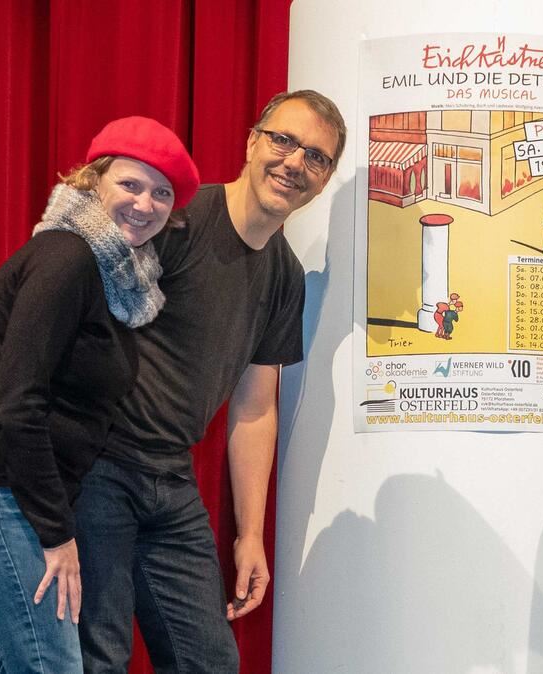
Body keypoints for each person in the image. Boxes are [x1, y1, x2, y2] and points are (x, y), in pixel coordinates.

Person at [74, 90, 346, 672]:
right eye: (283, 140)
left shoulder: (285, 276)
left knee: (210, 662)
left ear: (324, 180)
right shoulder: (175, 220)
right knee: (97, 658)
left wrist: (250, 535)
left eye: (316, 157)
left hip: (170, 479)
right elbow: (76, 315)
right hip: (97, 465)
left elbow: (255, 408)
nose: (294, 162)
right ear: (252, 143)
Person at [0, 116, 199, 673]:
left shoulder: (113, 280)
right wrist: (56, 535)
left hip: (13, 493)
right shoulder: (67, 257)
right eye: (131, 184)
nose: (145, 204)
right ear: (93, 181)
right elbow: (17, 403)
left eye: (162, 193)